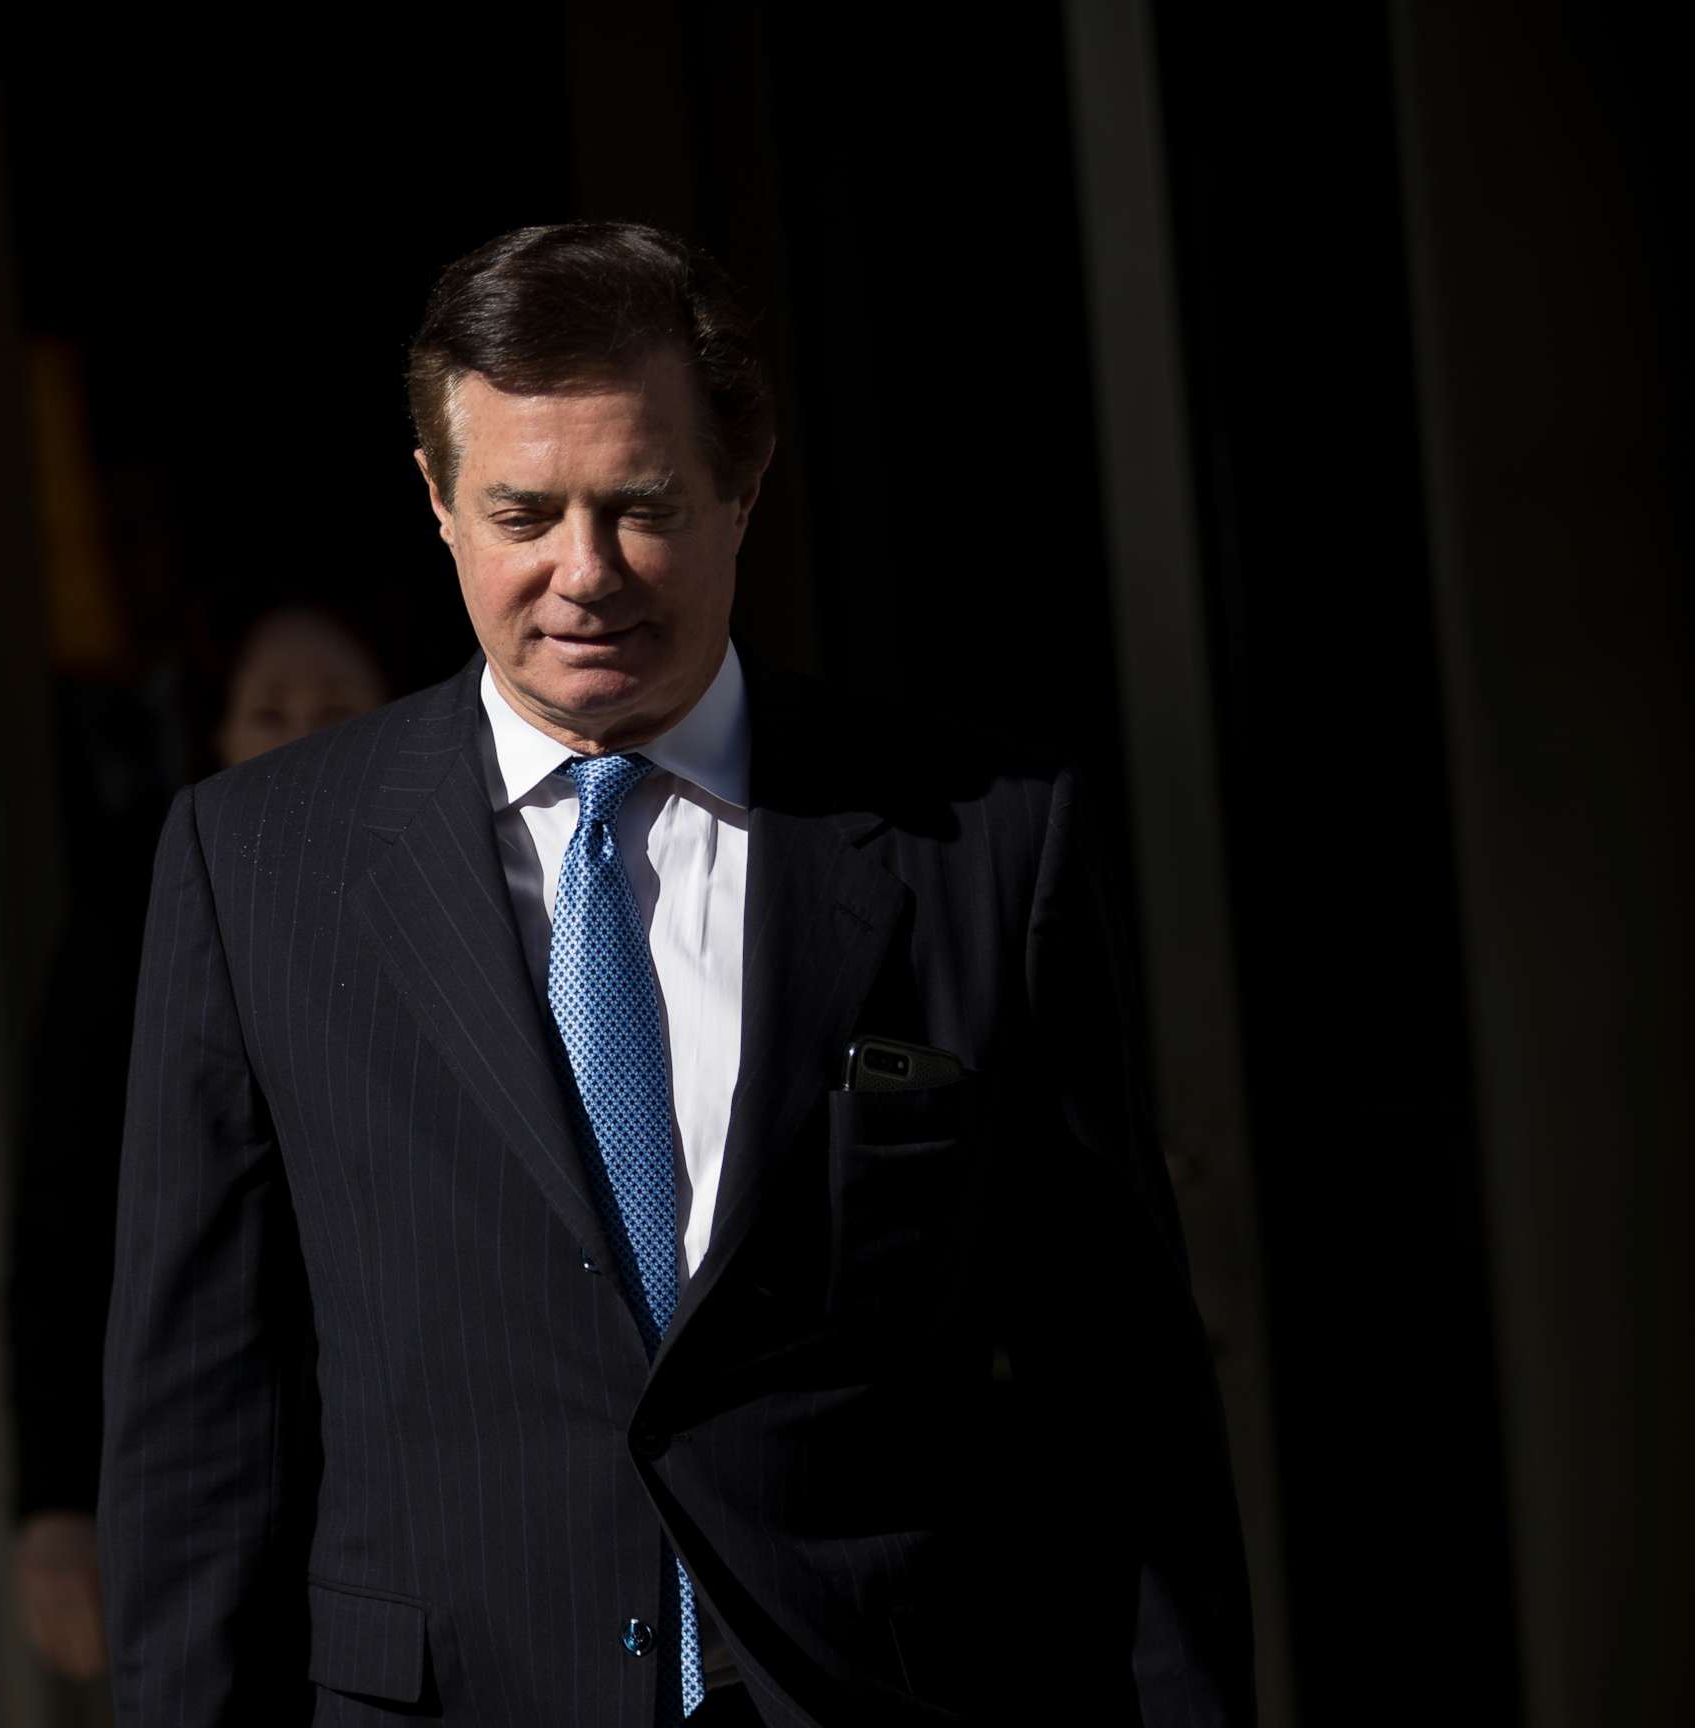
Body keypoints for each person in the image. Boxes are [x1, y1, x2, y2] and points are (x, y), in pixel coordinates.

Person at [98, 222, 1253, 1726]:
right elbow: (200, 1428)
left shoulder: (982, 843)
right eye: (522, 512)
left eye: (639, 507)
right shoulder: (257, 867)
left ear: (741, 490)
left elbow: (1122, 1400)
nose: (582, 576)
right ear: (437, 500)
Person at [7, 602, 390, 1685]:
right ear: (217, 743)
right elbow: (64, 1217)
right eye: (268, 714)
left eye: (339, 710)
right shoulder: (143, 913)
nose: (303, 740)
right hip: (219, 1472)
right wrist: (54, 1503)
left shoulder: (490, 904)